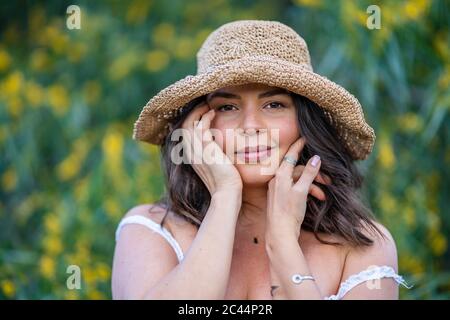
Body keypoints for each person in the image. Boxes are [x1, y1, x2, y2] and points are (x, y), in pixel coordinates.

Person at [112, 20, 411, 300]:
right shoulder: (151, 231)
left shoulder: (362, 246)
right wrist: (225, 196)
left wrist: (282, 245)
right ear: (196, 126)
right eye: (228, 107)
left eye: (274, 104)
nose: (250, 126)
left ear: (306, 122)